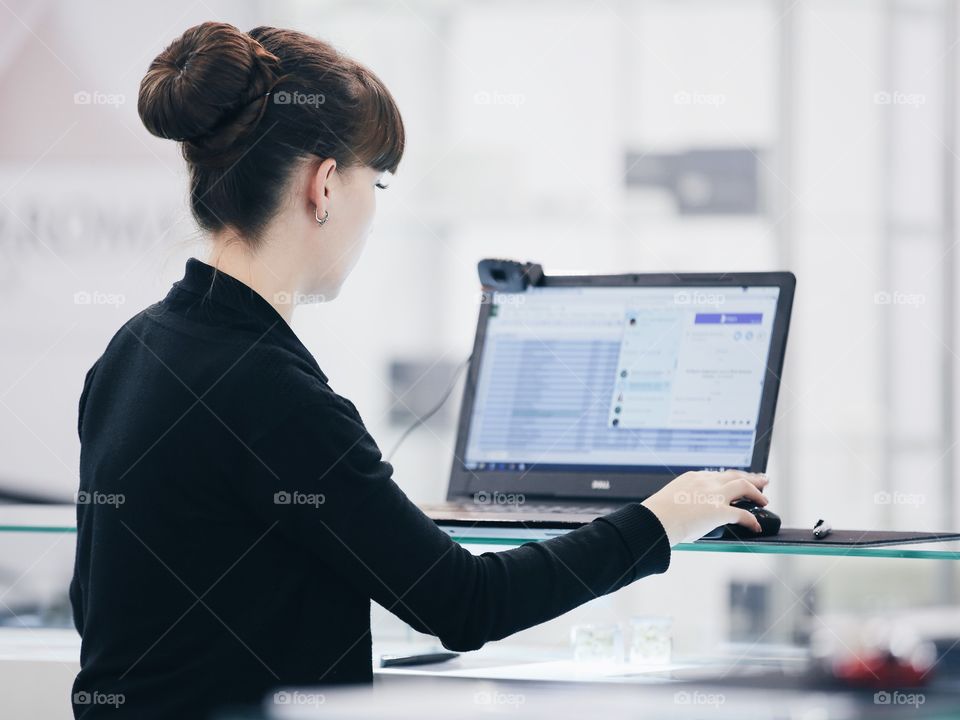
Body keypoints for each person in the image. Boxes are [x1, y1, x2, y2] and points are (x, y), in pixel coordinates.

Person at [69, 21, 771, 719]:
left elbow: (101, 602)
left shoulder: (134, 350)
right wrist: (661, 520)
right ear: (324, 187)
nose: (373, 210)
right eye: (376, 181)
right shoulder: (270, 391)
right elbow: (466, 603)